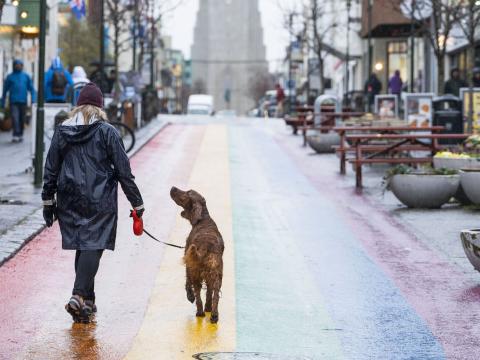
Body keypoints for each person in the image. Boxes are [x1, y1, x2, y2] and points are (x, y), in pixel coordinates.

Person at [41, 83, 145, 323]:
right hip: (100, 199)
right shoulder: (107, 132)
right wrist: (137, 203)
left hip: (69, 197)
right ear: (100, 106)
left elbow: (51, 168)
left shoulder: (62, 130)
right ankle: (78, 295)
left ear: (78, 105)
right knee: (93, 244)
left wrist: (48, 202)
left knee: (83, 243)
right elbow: (123, 171)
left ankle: (88, 300)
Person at [0, 59, 36, 142]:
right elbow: (5, 90)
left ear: (22, 66)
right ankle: (15, 134)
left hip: (23, 101)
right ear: (14, 66)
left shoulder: (26, 76)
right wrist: (2, 102)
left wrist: (33, 100)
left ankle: (20, 134)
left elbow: (31, 89)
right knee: (15, 118)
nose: (18, 66)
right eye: (16, 65)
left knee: (21, 119)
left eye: (19, 65)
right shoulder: (10, 77)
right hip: (13, 101)